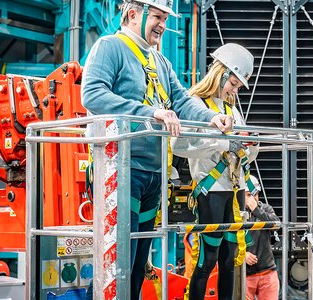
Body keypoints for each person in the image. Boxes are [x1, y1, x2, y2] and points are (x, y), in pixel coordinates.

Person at [81, 0, 233, 297]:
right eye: (158, 17)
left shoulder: (160, 62)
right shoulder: (110, 47)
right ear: (134, 14)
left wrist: (211, 117)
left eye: (165, 18)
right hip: (120, 171)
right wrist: (148, 113)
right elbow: (92, 93)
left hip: (152, 173)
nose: (163, 25)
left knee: (138, 265)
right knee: (116, 264)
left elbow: (182, 99)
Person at [170, 42, 258, 300]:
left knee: (230, 259)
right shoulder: (196, 104)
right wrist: (222, 142)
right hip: (211, 189)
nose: (234, 90)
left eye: (238, 87)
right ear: (220, 73)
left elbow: (247, 154)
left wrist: (250, 145)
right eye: (233, 83)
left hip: (235, 188)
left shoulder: (233, 110)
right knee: (207, 258)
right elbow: (179, 146)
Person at [243, 175, 280, 300]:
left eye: (255, 194)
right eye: (248, 195)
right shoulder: (234, 213)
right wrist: (242, 254)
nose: (252, 198)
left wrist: (256, 210)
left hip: (267, 271)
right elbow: (224, 240)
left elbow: (276, 225)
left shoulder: (265, 209)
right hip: (244, 275)